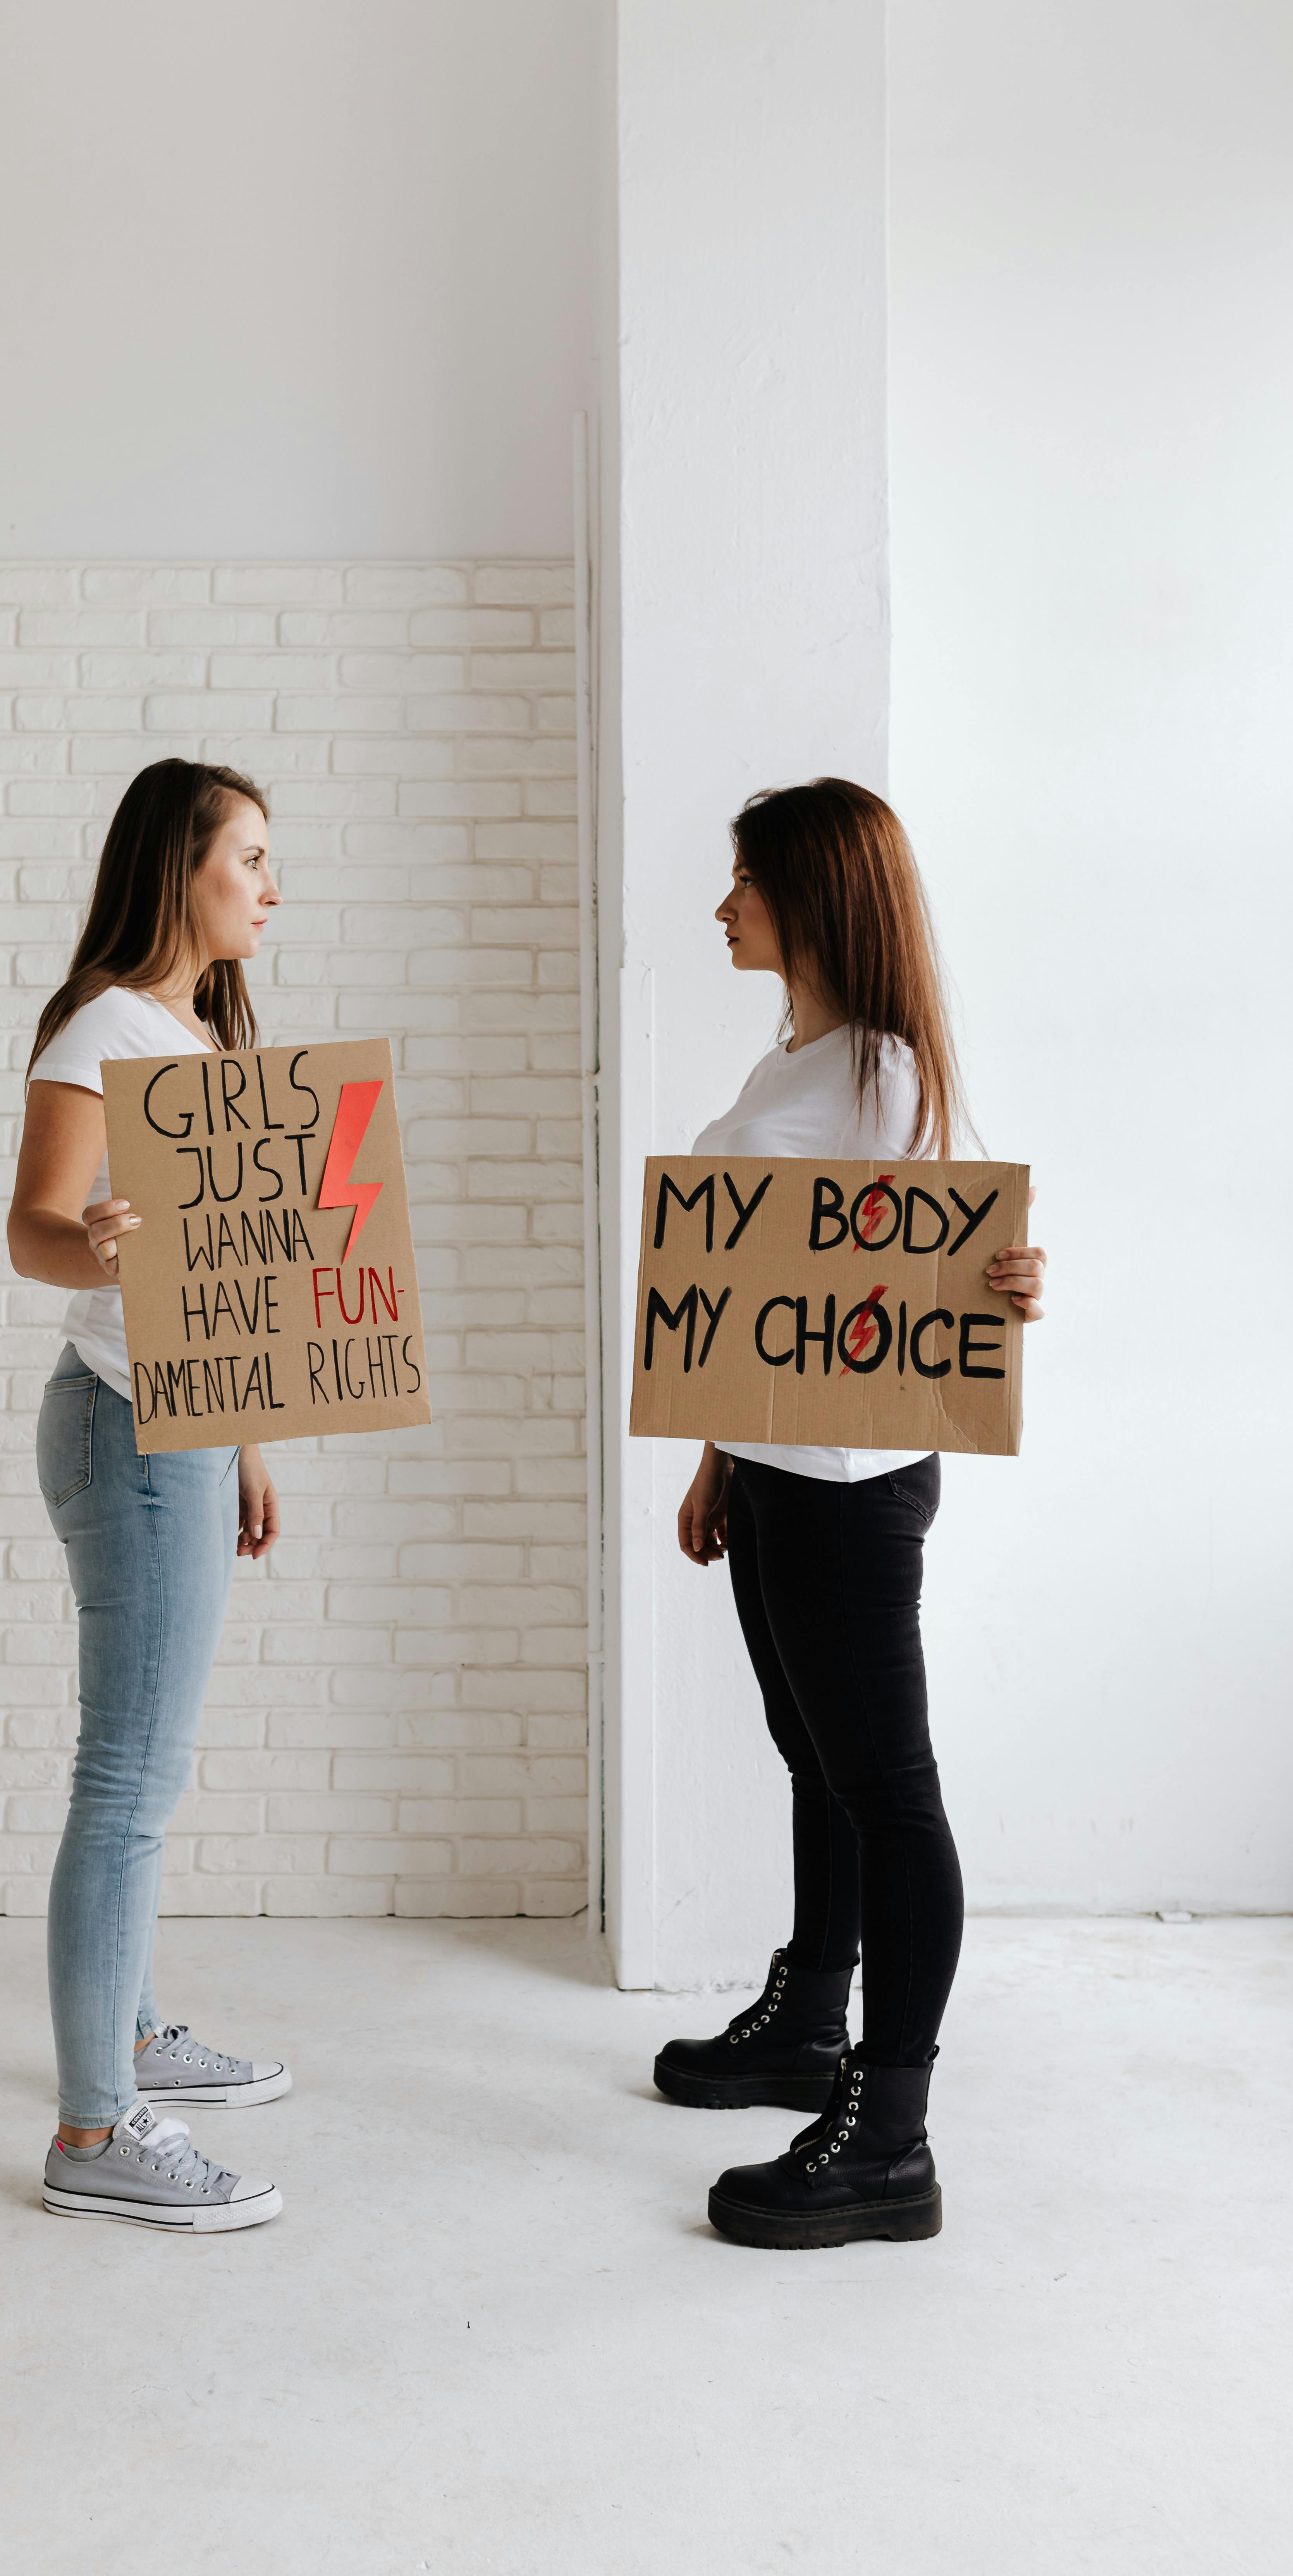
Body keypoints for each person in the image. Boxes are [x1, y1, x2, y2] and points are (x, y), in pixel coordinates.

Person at [652, 779, 1047, 2251]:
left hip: (852, 1488)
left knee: (887, 1788)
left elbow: (956, 1265)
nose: (721, 906)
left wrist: (1008, 1285)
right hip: (776, 1473)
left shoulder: (882, 1073)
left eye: (741, 880)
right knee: (811, 1755)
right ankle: (808, 2019)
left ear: (808, 898)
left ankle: (890, 2134)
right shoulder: (796, 1061)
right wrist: (717, 1455)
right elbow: (774, 1301)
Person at [7, 759, 291, 2235]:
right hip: (123, 1431)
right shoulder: (105, 1025)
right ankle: (95, 2126)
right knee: (124, 1782)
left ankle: (124, 2027)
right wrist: (100, 1244)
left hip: (181, 1427)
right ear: (179, 864)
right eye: (249, 855)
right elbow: (36, 1234)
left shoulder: (195, 1032)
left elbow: (227, 1279)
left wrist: (244, 1430)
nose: (270, 884)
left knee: (145, 1778)